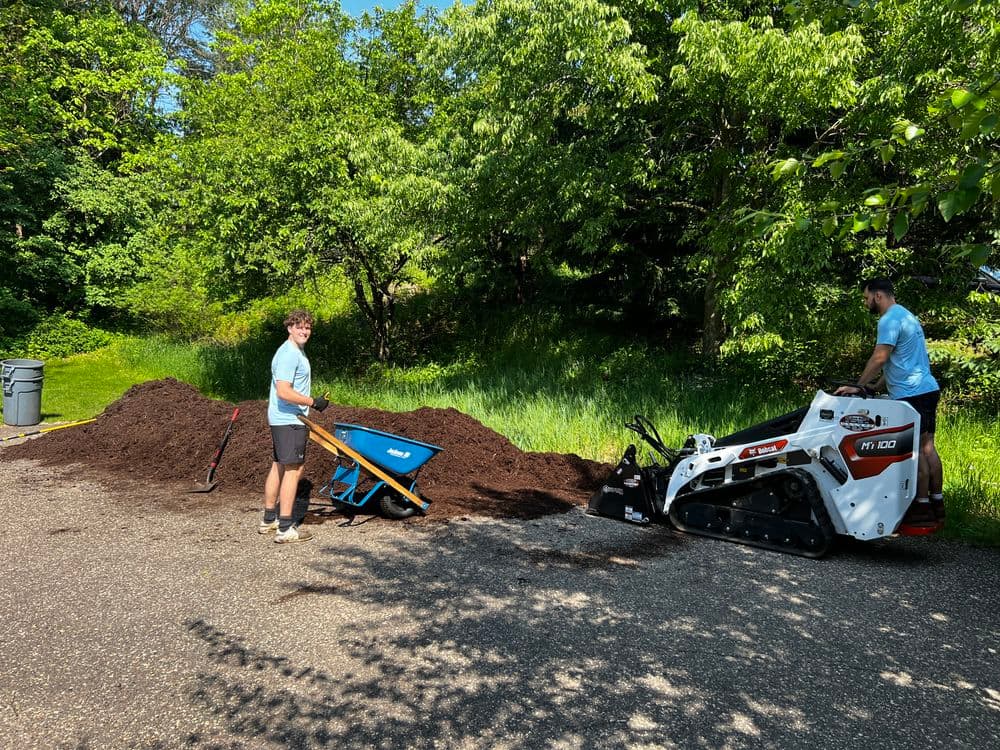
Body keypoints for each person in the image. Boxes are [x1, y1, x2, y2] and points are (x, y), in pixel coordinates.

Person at [834, 278, 944, 526]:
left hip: (911, 395)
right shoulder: (907, 316)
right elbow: (900, 362)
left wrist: (859, 386)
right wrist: (877, 387)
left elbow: (880, 357)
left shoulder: (888, 320)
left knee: (913, 453)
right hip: (927, 389)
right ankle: (937, 504)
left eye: (866, 298)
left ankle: (921, 509)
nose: (866, 302)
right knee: (928, 448)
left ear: (878, 296)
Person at [259, 309, 329, 543]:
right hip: (289, 420)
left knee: (279, 465)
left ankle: (269, 520)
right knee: (293, 470)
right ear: (289, 328)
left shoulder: (292, 351)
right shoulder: (289, 354)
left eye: (307, 327)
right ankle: (285, 528)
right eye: (299, 327)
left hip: (283, 420)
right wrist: (313, 402)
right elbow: (283, 391)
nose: (304, 331)